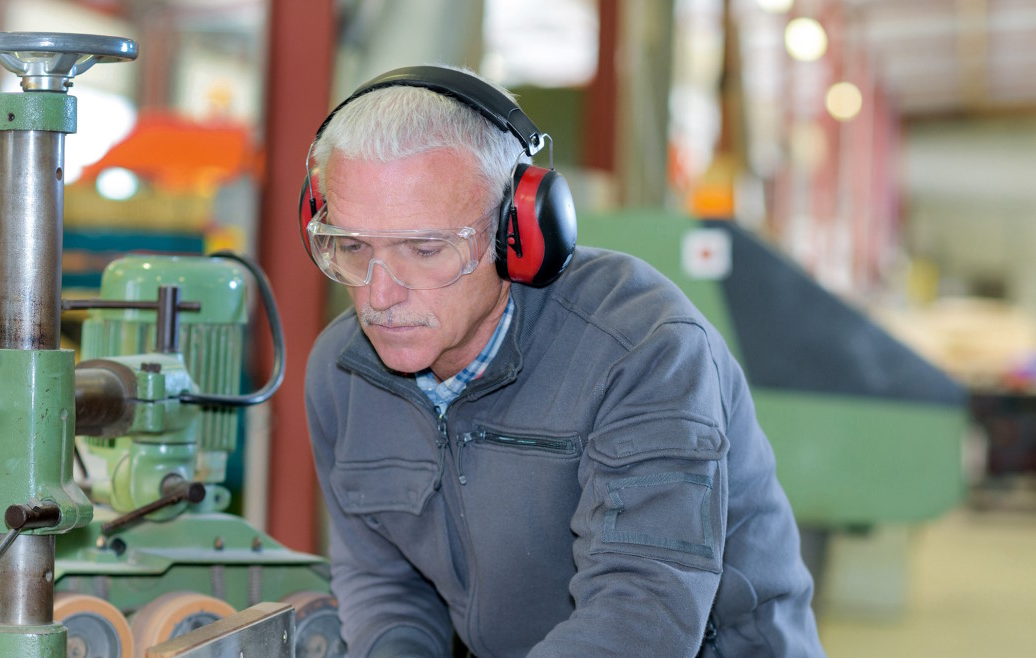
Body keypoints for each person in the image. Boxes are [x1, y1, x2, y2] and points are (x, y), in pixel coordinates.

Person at [301, 65, 824, 657]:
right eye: (350, 247)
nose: (380, 294)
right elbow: (385, 583)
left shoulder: (643, 349)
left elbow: (643, 614)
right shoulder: (342, 376)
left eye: (424, 250)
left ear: (515, 231)